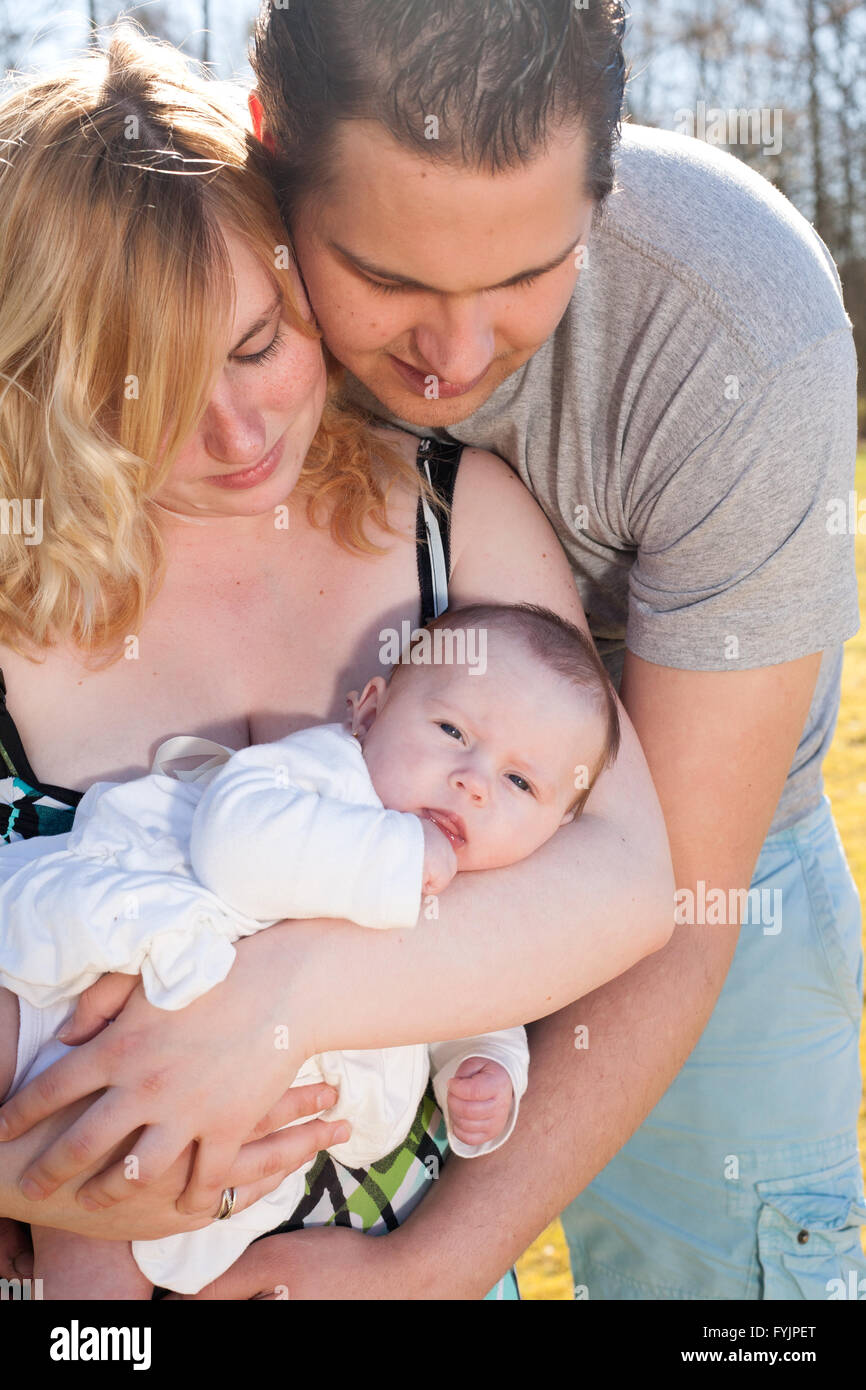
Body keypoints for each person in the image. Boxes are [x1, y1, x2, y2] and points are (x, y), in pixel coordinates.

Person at [0, 25, 672, 1300]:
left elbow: (630, 879)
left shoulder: (448, 517)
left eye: (258, 343)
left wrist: (280, 1007)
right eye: (144, 392)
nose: (237, 428)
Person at [232, 0, 865, 1300]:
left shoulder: (740, 326)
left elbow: (680, 895)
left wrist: (435, 1262)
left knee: (732, 1289)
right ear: (268, 153)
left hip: (709, 861)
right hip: (320, 825)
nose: (451, 357)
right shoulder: (189, 276)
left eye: (525, 274)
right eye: (389, 278)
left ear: (606, 173)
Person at [1, 602, 618, 1296]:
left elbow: (479, 996)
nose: (472, 780)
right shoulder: (327, 775)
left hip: (190, 1137)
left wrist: (486, 1068)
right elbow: (235, 843)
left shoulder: (488, 901)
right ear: (370, 713)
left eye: (519, 783)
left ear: (555, 829)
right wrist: (397, 856)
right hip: (74, 992)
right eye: (451, 731)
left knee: (97, 1243)